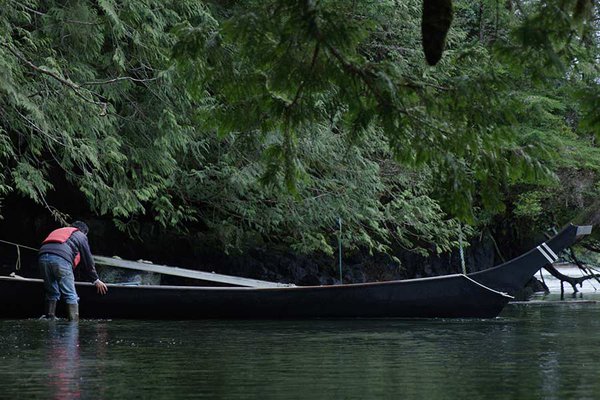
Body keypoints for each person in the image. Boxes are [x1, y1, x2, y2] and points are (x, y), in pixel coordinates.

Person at [38, 221, 108, 321]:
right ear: (84, 232)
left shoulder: (59, 230)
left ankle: (50, 317)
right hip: (61, 259)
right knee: (71, 295)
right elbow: (88, 260)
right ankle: (74, 323)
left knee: (52, 292)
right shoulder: (80, 235)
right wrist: (96, 280)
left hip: (42, 257)